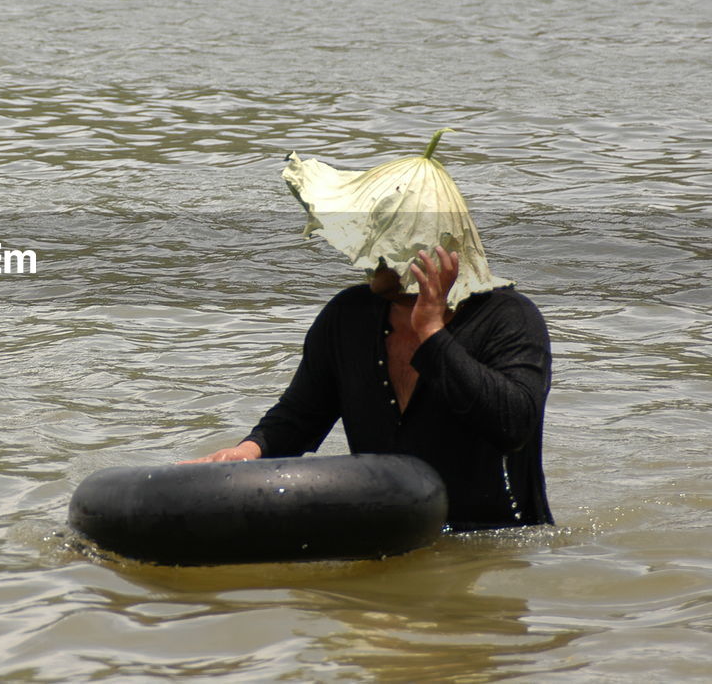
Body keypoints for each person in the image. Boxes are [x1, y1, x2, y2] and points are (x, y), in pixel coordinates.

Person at [187, 136, 553, 532]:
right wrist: (248, 451)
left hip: (494, 541)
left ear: (420, 247)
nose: (365, 253)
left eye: (382, 239)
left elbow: (514, 424)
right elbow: (302, 415)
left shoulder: (510, 318)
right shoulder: (348, 316)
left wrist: (432, 333)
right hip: (390, 531)